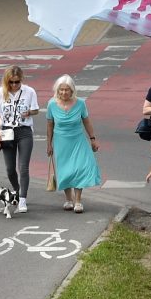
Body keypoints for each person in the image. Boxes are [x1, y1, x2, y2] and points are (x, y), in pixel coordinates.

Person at [43, 74, 100, 213]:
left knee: (79, 169)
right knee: (65, 171)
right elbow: (50, 125)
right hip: (61, 142)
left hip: (78, 140)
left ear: (72, 90)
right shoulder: (51, 104)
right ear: (57, 90)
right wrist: (49, 144)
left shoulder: (80, 103)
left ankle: (78, 201)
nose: (63, 92)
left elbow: (86, 121)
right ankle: (68, 199)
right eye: (61, 89)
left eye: (67, 89)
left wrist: (93, 139)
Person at [0, 65, 40, 212]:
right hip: (6, 132)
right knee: (10, 169)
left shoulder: (29, 91)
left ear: (21, 79)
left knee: (23, 167)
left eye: (17, 82)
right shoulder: (1, 92)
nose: (14, 85)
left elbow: (36, 109)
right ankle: (17, 190)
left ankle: (23, 199)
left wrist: (29, 112)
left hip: (24, 131)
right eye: (11, 82)